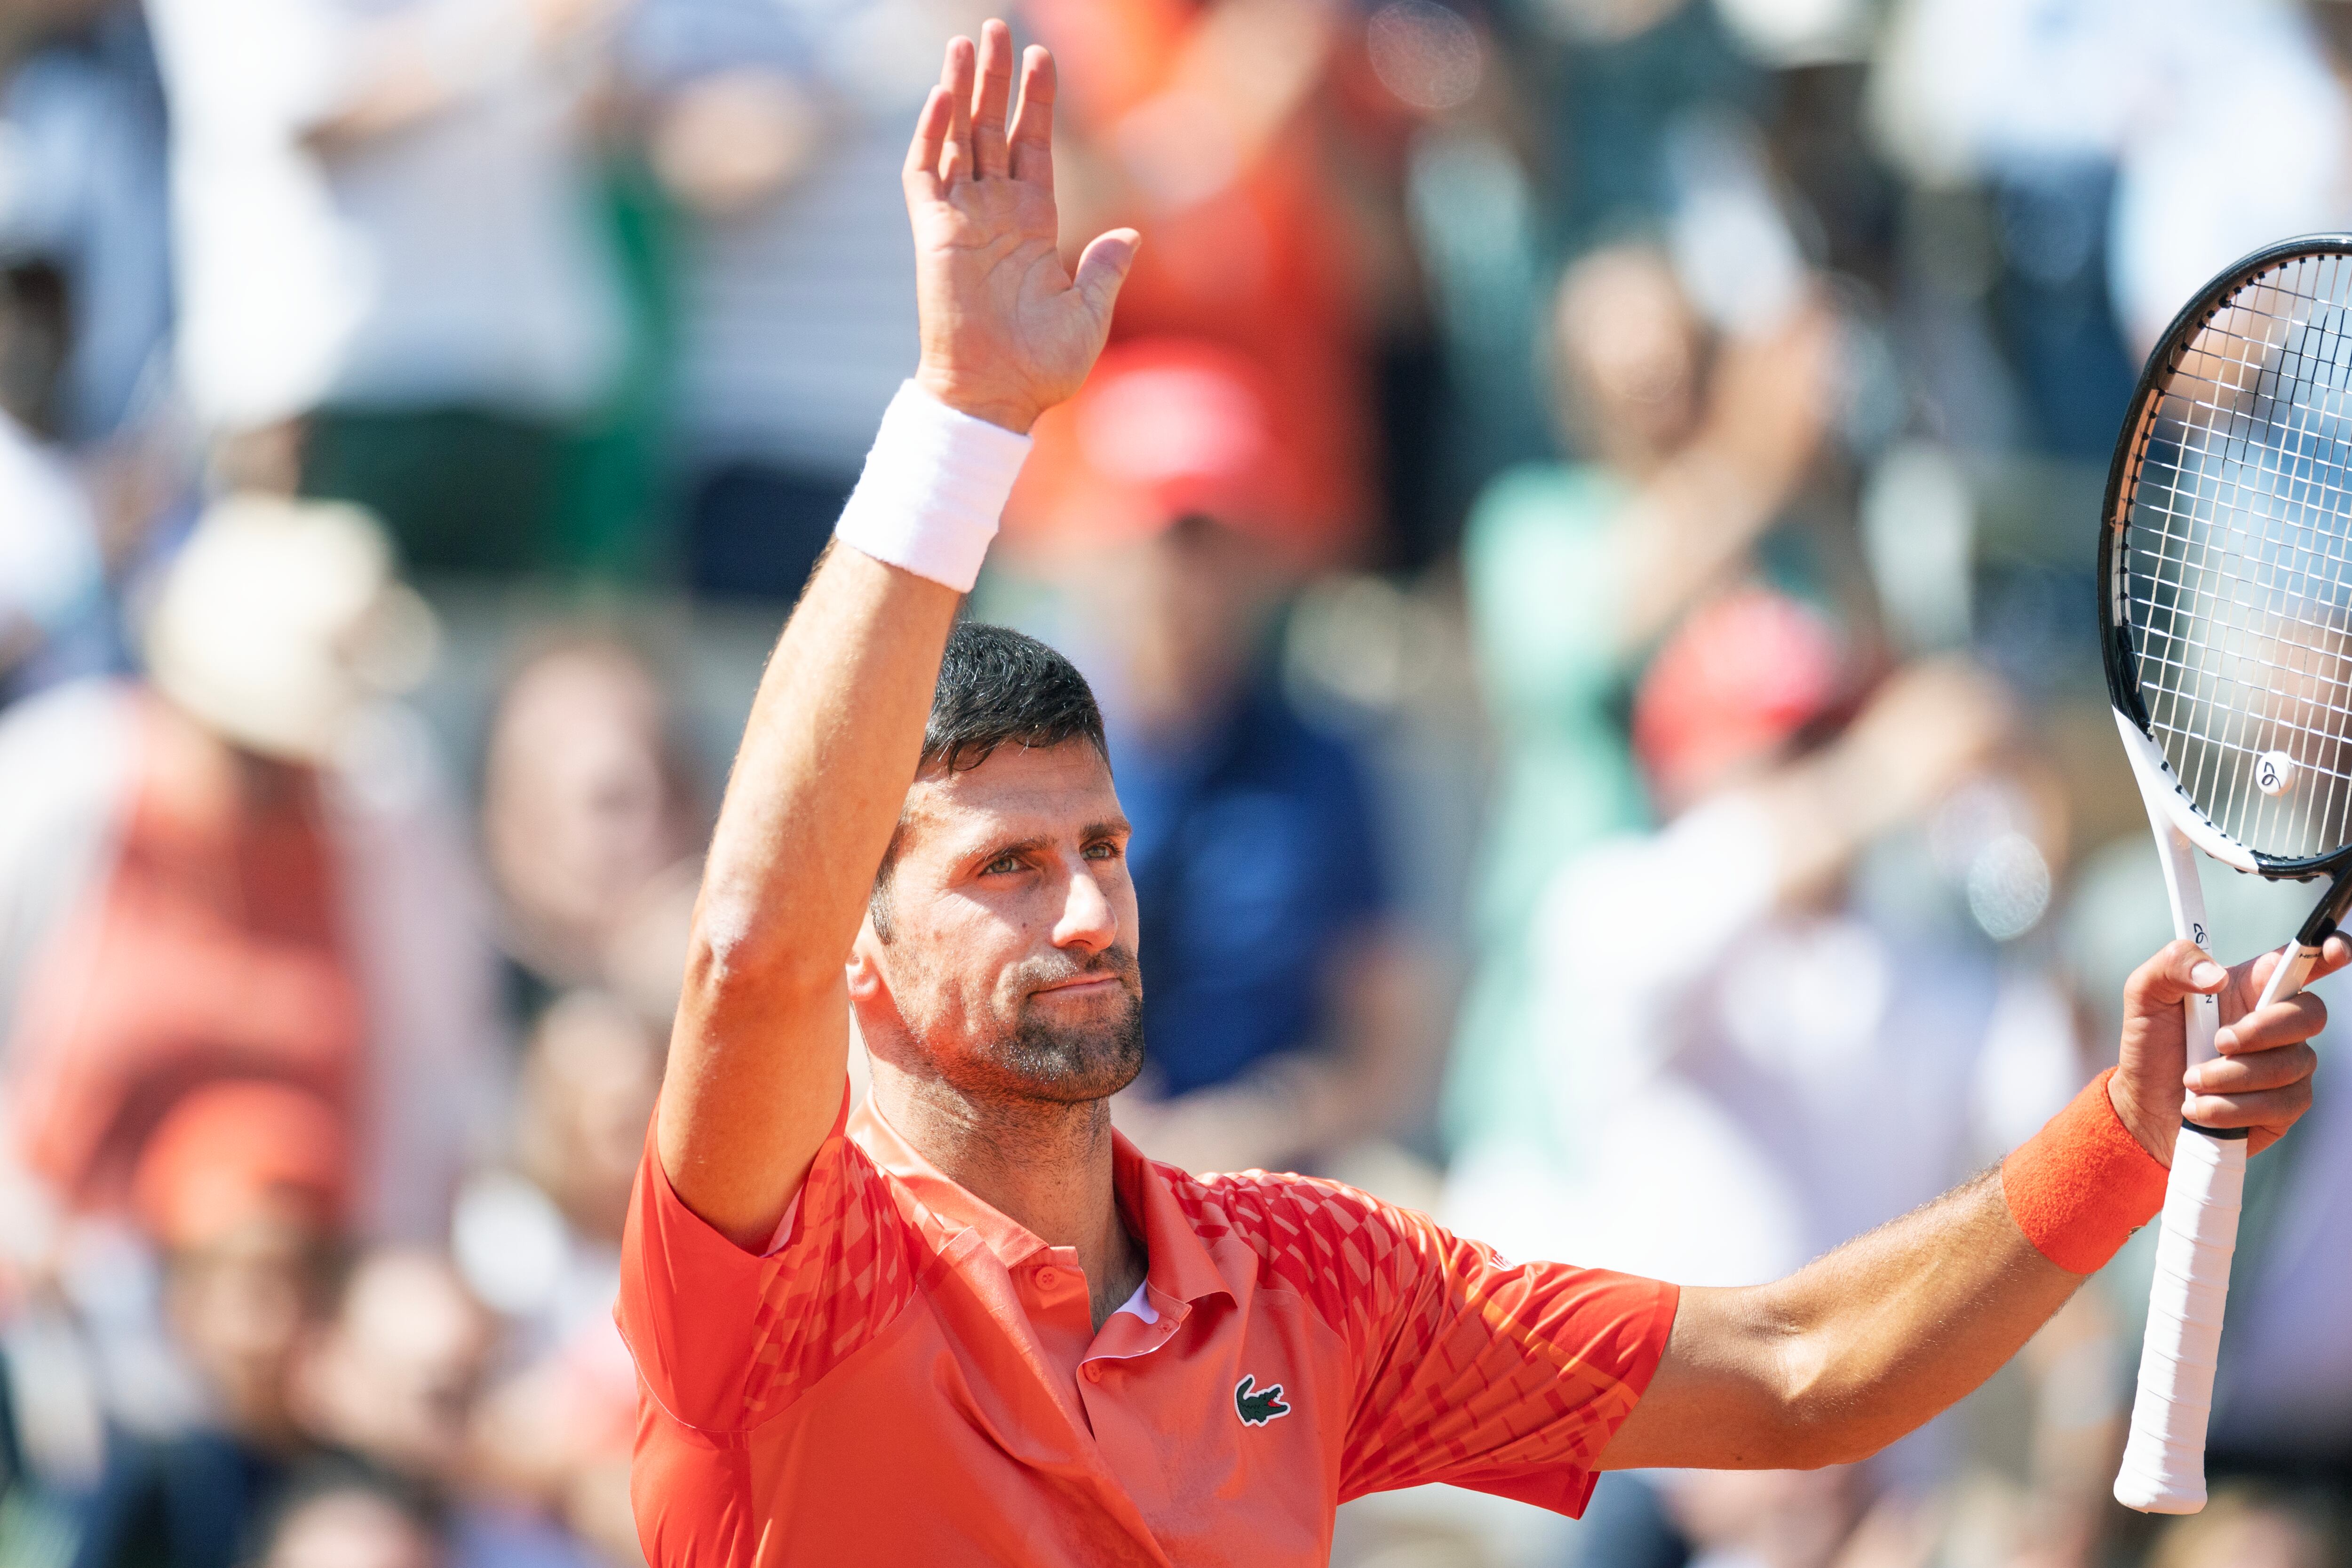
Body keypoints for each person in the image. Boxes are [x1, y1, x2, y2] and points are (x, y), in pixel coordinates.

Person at [613, 23, 2337, 1562]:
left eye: (1104, 847)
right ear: (863, 950)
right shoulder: (793, 1263)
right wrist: (966, 417)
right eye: (1005, 864)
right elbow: (751, 950)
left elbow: (1798, 1373)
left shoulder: (1308, 1280)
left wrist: (2124, 1136)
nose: (1087, 906)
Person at [1001, 336, 1436, 1175]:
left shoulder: (1320, 765)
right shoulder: (1001, 757)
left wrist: (1262, 1120)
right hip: (1041, 1161)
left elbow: (1385, 1036)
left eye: (1215, 541)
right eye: (1161, 537)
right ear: (1088, 545)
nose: (1186, 577)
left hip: (1265, 1174)